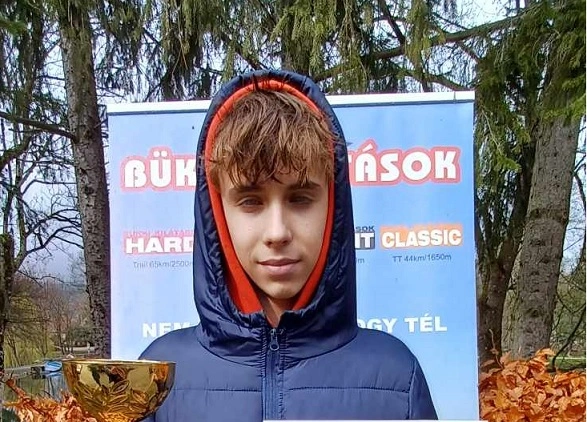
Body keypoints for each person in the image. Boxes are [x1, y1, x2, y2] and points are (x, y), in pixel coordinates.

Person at [139, 70, 438, 421]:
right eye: (251, 202)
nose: (277, 232)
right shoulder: (158, 378)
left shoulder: (397, 378)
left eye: (300, 199)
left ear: (333, 207)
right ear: (218, 213)